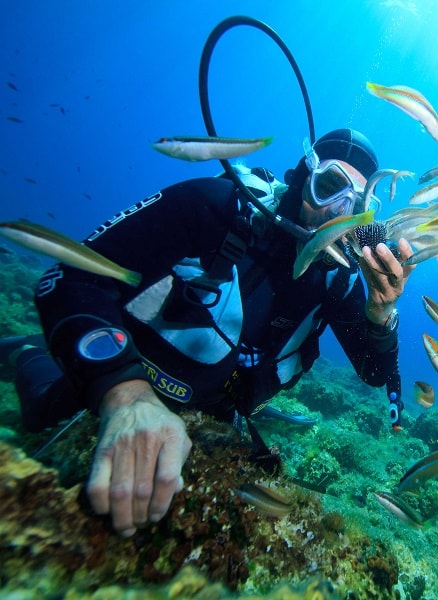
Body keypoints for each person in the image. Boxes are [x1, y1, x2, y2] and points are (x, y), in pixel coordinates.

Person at [0, 128, 414, 537]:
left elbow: (373, 373)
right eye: (329, 186)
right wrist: (124, 395)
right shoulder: (217, 206)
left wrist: (381, 315)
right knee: (41, 410)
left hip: (216, 416)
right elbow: (71, 274)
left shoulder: (337, 283)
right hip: (129, 378)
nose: (336, 213)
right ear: (304, 176)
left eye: (357, 205)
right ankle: (27, 353)